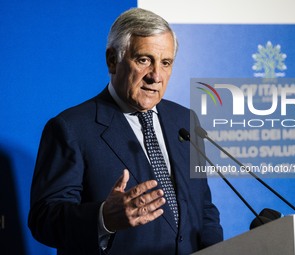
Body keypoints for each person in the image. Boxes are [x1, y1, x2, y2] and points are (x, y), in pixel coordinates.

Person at [28, 8, 223, 255]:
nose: (156, 76)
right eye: (144, 59)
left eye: (166, 63)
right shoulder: (71, 128)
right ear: (112, 60)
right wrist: (103, 219)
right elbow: (44, 219)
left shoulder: (184, 120)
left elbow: (202, 208)